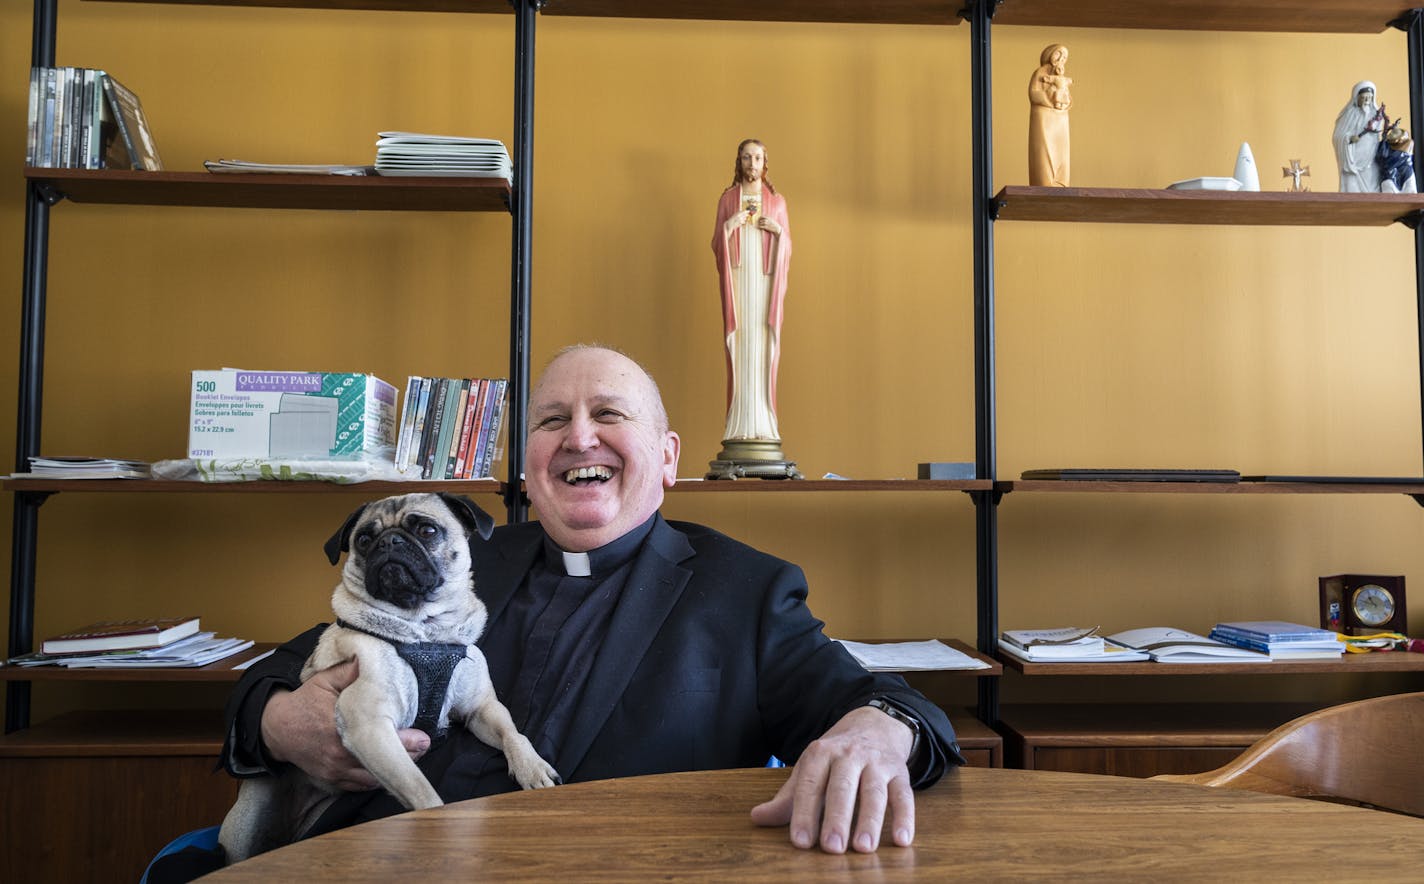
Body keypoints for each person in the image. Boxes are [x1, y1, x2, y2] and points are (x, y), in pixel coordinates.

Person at [217, 345, 962, 863]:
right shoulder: (455, 558)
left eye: (610, 413)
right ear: (530, 467)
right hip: (372, 858)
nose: (579, 436)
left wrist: (876, 731)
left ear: (667, 457)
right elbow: (279, 676)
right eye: (551, 420)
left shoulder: (747, 590)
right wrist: (281, 722)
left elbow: (879, 702)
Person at [713, 139, 792, 445]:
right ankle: (738, 424)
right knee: (741, 344)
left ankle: (764, 421)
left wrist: (777, 231)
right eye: (747, 158)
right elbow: (716, 243)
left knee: (762, 346)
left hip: (763, 284)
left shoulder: (777, 202)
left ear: (764, 162)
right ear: (739, 162)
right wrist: (729, 226)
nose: (752, 164)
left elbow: (788, 245)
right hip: (738, 283)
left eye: (757, 158)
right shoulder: (728, 199)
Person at [1028, 44, 1072, 187]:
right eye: (1058, 54)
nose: (1061, 59)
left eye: (1064, 57)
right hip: (1044, 116)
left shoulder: (1061, 76)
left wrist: (1066, 103)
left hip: (1060, 117)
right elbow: (1034, 94)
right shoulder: (1040, 72)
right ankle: (1044, 180)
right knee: (1044, 147)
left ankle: (1061, 180)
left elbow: (1067, 95)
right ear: (1050, 54)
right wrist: (1049, 100)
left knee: (1062, 148)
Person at [1333, 80, 1387, 193]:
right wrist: (1348, 138)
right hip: (1353, 157)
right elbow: (1338, 135)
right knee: (1352, 187)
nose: (1367, 101)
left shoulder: (1376, 115)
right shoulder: (1349, 114)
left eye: (1369, 97)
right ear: (1357, 98)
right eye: (1364, 97)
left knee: (1373, 182)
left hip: (1371, 156)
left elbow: (1379, 132)